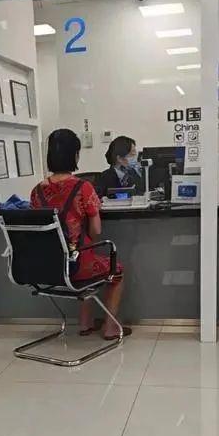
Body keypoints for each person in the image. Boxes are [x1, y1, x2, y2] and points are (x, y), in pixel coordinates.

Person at [30, 129, 131, 340]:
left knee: (88, 265)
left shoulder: (36, 191)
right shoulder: (83, 188)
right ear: (75, 155)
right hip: (77, 265)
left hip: (45, 265)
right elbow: (96, 231)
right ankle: (110, 327)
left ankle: (85, 323)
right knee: (114, 270)